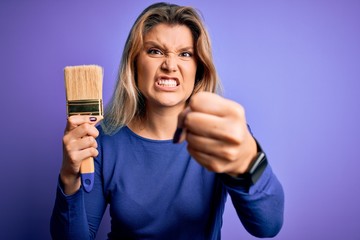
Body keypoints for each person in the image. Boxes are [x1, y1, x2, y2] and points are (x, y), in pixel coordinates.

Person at [50, 2, 284, 239]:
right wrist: (69, 176)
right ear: (134, 64)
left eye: (185, 54)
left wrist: (248, 160)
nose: (170, 65)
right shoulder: (103, 141)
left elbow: (268, 226)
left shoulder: (222, 134)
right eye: (155, 51)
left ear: (199, 68)